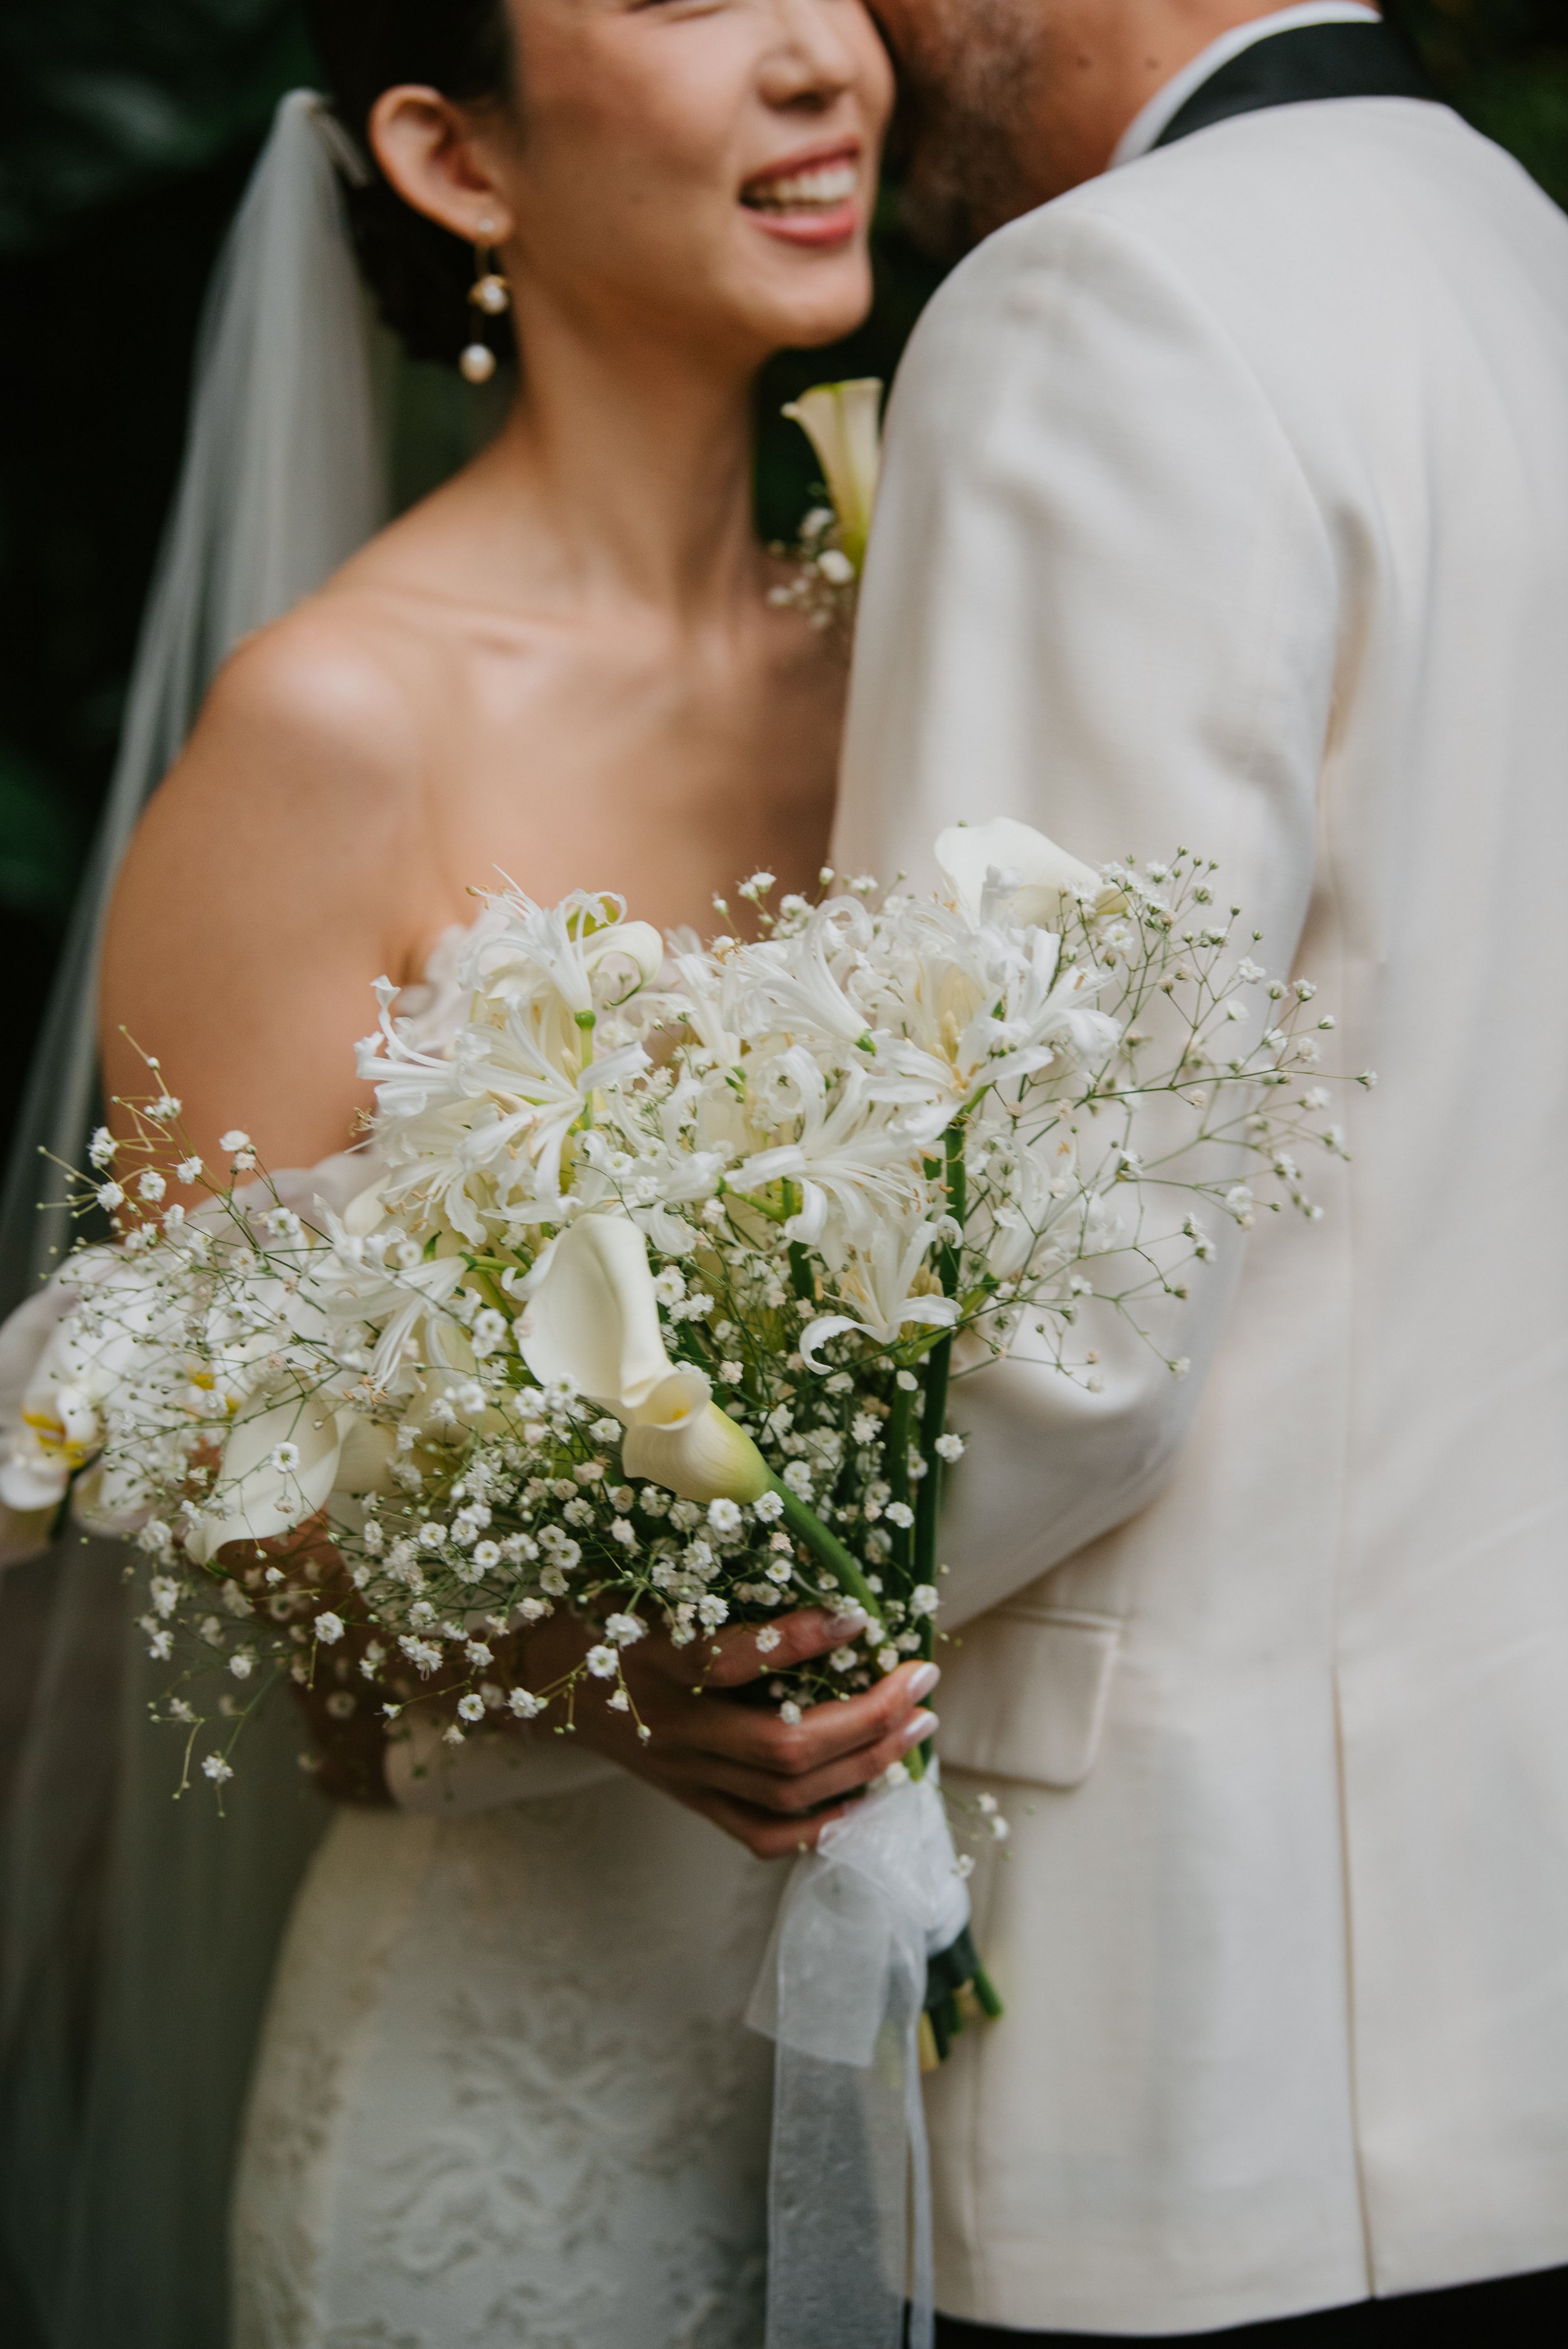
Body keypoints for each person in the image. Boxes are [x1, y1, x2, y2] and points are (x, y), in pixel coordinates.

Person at [3, 3, 945, 2343]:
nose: (823, 58)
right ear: (450, 154)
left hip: (944, 2058)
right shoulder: (335, 723)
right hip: (520, 2100)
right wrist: (575, 1678)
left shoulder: (921, 640)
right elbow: (217, 1474)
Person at [822, 0, 1567, 2341]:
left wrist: (673, 1622)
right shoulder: (1519, 253)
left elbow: (1045, 1302)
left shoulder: (1103, 304)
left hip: (1221, 2011)